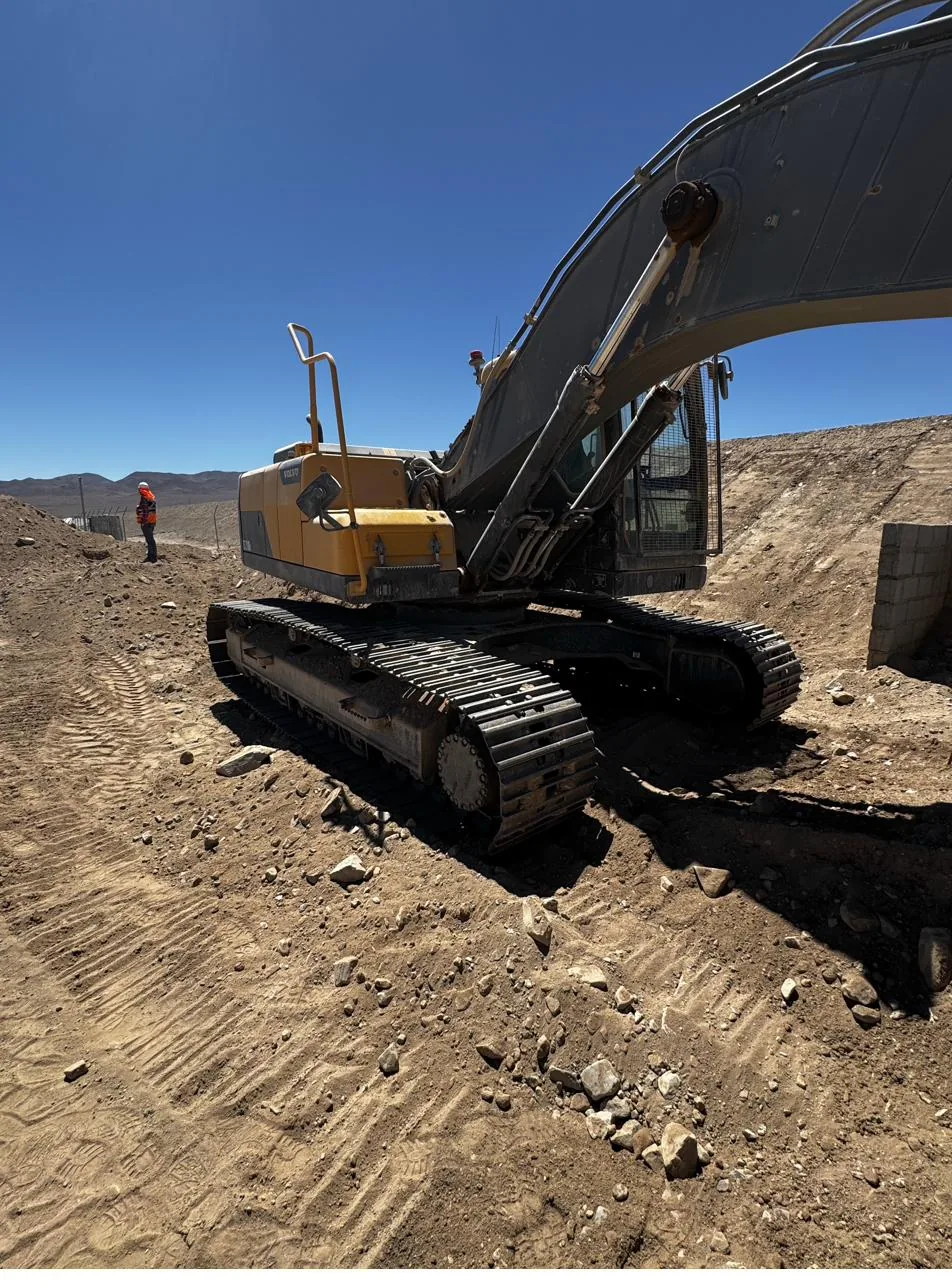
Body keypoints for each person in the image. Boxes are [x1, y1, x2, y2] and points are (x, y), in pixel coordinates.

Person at [136, 481, 158, 562]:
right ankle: (151, 554)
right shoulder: (151, 496)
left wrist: (143, 522)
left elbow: (145, 511)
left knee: (150, 540)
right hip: (152, 520)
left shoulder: (144, 497)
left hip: (147, 522)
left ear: (141, 489)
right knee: (150, 539)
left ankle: (152, 557)